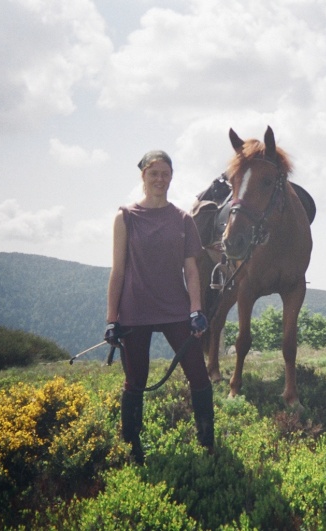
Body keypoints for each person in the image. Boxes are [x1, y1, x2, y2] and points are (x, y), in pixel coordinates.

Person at [105, 150, 215, 463]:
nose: (160, 179)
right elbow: (118, 271)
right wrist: (111, 319)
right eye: (154, 173)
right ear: (143, 176)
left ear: (171, 177)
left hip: (176, 309)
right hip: (134, 310)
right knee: (135, 380)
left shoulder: (182, 219)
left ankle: (207, 445)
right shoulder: (125, 217)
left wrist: (196, 310)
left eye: (165, 174)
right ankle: (132, 447)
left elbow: (191, 270)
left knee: (199, 375)